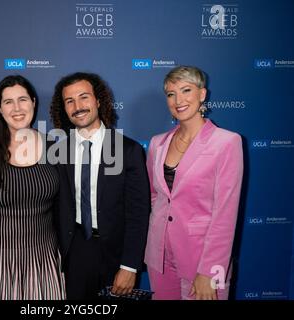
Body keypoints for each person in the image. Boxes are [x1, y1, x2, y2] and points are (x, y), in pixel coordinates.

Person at [144, 66, 244, 300]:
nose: (178, 100)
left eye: (186, 90)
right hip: (160, 257)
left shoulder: (227, 142)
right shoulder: (158, 143)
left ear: (202, 94)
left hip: (202, 259)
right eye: (171, 94)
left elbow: (225, 214)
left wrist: (209, 271)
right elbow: (155, 197)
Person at [50, 72, 150, 299]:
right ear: (64, 109)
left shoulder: (128, 150)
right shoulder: (57, 152)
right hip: (73, 253)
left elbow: (138, 213)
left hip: (116, 255)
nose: (78, 106)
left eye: (84, 97)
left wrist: (130, 266)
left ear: (98, 100)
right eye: (69, 101)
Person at [0, 75, 65, 300]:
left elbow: (65, 207)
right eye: (8, 102)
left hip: (43, 262)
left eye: (22, 99)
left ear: (33, 102)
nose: (17, 108)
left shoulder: (54, 147)